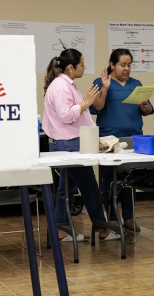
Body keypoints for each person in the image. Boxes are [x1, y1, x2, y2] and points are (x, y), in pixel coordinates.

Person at [42, 49, 120, 242]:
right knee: (89, 187)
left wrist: (87, 103)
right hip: (69, 144)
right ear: (70, 67)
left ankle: (61, 229)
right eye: (82, 64)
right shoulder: (61, 86)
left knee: (66, 189)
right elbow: (66, 115)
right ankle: (103, 228)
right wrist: (86, 103)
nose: (84, 67)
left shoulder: (65, 84)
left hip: (70, 143)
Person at [90, 49, 154, 232]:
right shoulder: (101, 82)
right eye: (122, 65)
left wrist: (145, 106)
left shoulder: (136, 84)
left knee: (129, 180)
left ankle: (129, 217)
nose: (126, 69)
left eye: (129, 65)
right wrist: (104, 87)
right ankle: (111, 217)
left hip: (133, 139)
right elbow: (96, 108)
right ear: (112, 65)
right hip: (109, 140)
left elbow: (148, 111)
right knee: (108, 180)